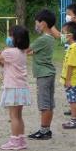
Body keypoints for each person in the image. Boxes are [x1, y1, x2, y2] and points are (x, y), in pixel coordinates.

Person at [0, 26, 30, 150]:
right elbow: (6, 64)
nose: (9, 38)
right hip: (22, 88)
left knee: (13, 116)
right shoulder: (22, 52)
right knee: (19, 116)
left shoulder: (9, 52)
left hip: (13, 88)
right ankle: (21, 140)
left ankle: (14, 141)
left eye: (11, 35)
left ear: (16, 39)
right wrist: (1, 54)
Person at [52, 4, 76, 117]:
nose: (67, 16)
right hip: (73, 57)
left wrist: (50, 25)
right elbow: (61, 37)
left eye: (69, 14)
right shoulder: (75, 27)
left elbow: (60, 36)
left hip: (75, 59)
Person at [27, 9, 56, 140]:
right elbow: (34, 52)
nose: (36, 25)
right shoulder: (50, 39)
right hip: (49, 74)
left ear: (43, 23)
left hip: (43, 75)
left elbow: (27, 49)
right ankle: (47, 129)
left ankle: (44, 131)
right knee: (49, 104)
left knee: (44, 104)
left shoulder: (42, 39)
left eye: (37, 23)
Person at [60, 22, 76, 129]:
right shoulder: (72, 47)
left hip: (72, 80)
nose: (62, 35)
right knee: (72, 99)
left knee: (73, 100)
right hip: (74, 79)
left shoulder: (73, 48)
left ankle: (74, 120)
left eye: (63, 33)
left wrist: (68, 80)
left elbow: (71, 65)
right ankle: (74, 119)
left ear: (70, 35)